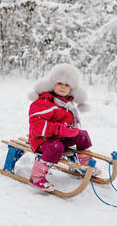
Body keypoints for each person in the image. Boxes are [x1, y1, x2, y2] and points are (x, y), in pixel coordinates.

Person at [28, 63, 99, 191]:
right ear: (52, 84)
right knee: (56, 147)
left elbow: (69, 126)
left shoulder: (68, 105)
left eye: (67, 85)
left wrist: (70, 131)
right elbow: (37, 125)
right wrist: (62, 129)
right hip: (41, 140)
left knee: (82, 135)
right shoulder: (43, 101)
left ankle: (86, 165)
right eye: (59, 83)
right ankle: (37, 177)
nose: (63, 87)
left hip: (60, 137)